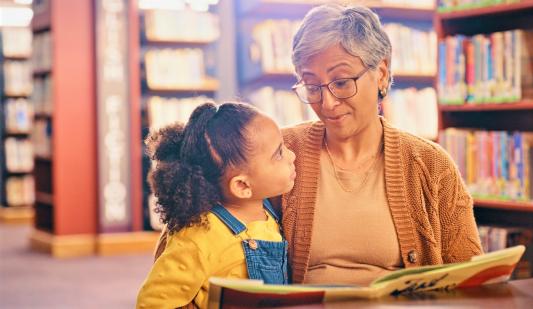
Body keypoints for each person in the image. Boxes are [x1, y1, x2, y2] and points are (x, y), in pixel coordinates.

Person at [277, 3, 483, 285]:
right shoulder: (279, 152)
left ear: (382, 73)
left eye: (341, 82)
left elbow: (472, 280)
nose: (327, 103)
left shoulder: (432, 164)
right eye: (312, 87)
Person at [136, 102, 296, 309]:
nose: (292, 155)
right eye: (280, 153)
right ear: (242, 185)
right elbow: (152, 302)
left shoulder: (268, 208)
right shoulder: (200, 237)